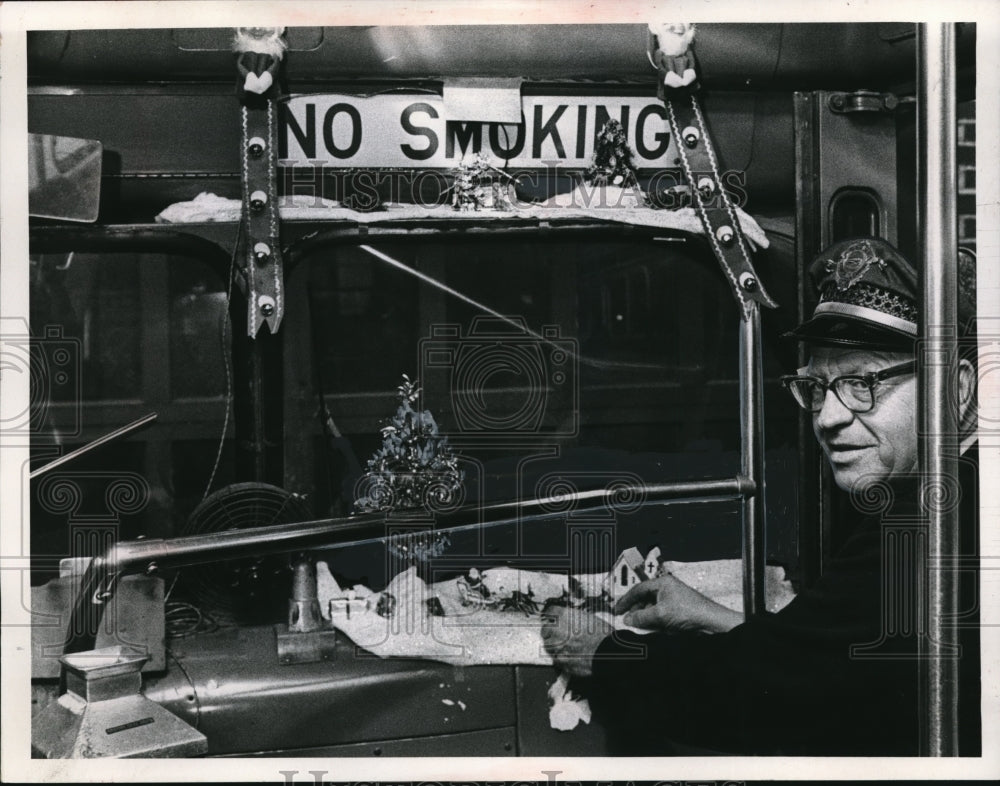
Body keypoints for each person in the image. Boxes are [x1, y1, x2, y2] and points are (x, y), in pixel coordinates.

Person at [541, 237, 980, 755]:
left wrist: (602, 653)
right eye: (817, 387)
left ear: (956, 389)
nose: (828, 417)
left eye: (862, 383)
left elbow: (763, 698)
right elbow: (830, 663)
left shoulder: (932, 519)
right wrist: (712, 616)